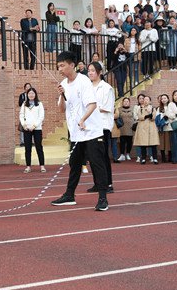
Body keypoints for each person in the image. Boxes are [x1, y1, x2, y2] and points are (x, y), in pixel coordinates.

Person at [51, 51, 109, 211]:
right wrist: (62, 96)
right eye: (58, 66)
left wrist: (83, 119)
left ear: (72, 65)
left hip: (91, 131)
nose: (60, 69)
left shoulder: (83, 81)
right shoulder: (63, 83)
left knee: (97, 164)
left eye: (62, 65)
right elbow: (61, 109)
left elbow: (92, 104)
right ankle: (69, 195)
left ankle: (103, 198)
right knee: (74, 164)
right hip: (76, 133)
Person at [87, 62, 115, 190]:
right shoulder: (87, 87)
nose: (90, 73)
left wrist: (90, 109)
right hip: (90, 126)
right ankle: (97, 183)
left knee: (103, 156)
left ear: (99, 72)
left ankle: (108, 183)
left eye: (93, 70)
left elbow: (106, 107)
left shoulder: (106, 88)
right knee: (93, 157)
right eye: (89, 71)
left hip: (102, 126)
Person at [19, 87, 46, 174]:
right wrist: (24, 125)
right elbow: (21, 115)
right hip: (27, 129)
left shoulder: (39, 104)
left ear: (35, 94)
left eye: (33, 93)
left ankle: (42, 166)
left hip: (37, 129)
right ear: (27, 95)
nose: (31, 95)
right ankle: (28, 167)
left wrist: (34, 126)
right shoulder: (24, 104)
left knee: (39, 147)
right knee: (27, 148)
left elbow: (41, 116)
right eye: (29, 93)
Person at [134, 95, 159, 164]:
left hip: (151, 127)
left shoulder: (153, 108)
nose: (145, 101)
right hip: (142, 128)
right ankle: (143, 158)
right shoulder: (140, 109)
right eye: (144, 99)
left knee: (153, 144)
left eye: (147, 99)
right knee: (143, 144)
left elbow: (153, 117)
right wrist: (146, 116)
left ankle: (155, 158)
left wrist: (149, 113)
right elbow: (140, 117)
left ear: (150, 101)